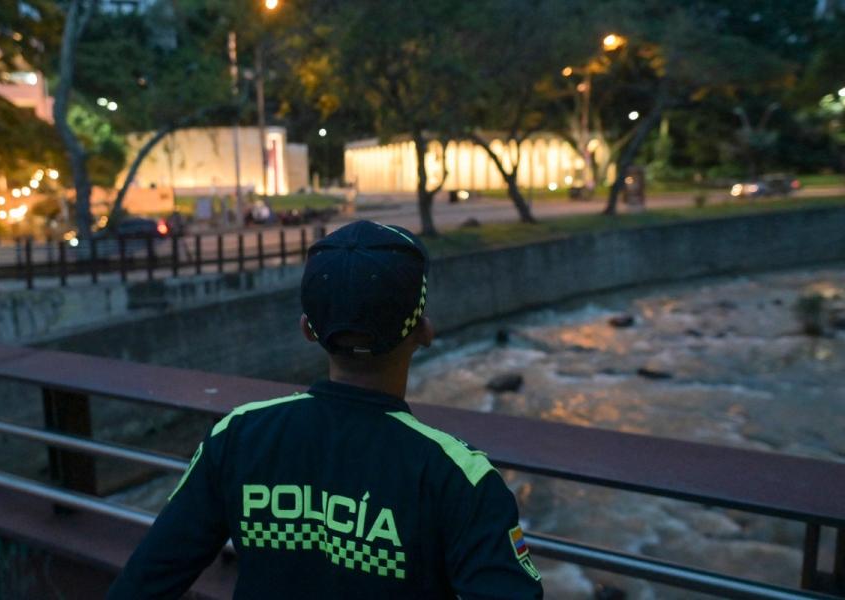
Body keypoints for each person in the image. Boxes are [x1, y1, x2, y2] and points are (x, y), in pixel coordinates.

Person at [108, 220, 544, 599]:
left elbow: (144, 581)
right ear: (424, 332)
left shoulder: (239, 436)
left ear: (308, 330)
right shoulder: (460, 478)